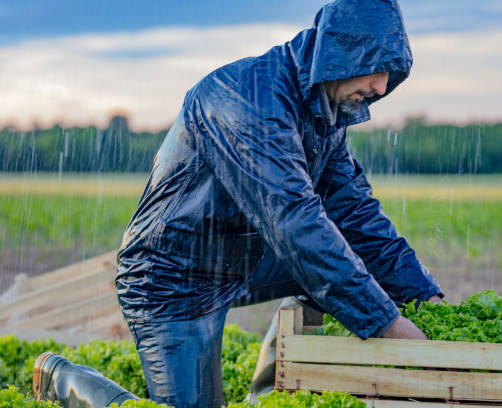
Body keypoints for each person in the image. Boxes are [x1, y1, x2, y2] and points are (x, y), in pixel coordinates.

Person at [33, 0, 443, 407]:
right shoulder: (246, 99)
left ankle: (267, 395)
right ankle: (66, 379)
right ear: (342, 53)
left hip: (243, 258)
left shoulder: (325, 113)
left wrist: (426, 299)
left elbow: (357, 214)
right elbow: (296, 226)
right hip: (173, 277)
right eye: (377, 69)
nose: (382, 88)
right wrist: (387, 324)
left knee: (355, 256)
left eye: (391, 75)